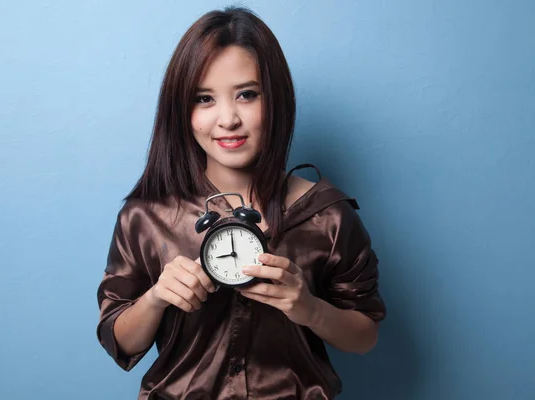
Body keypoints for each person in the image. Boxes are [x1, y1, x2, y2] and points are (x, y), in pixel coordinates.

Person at [96, 6, 386, 399]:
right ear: (182, 109)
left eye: (246, 95)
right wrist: (157, 297)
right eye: (204, 99)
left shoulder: (328, 217)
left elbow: (365, 335)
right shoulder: (146, 217)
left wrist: (310, 308)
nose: (228, 119)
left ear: (276, 98)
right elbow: (120, 341)